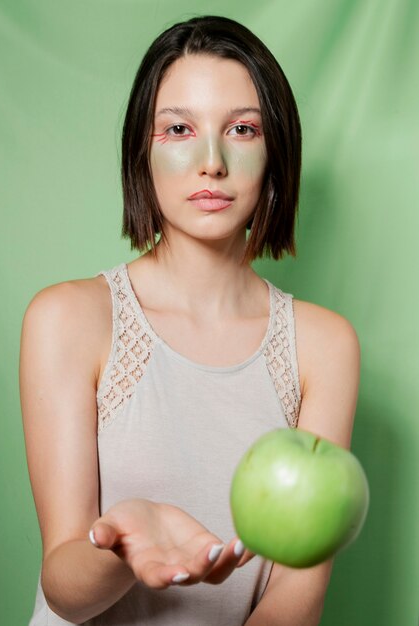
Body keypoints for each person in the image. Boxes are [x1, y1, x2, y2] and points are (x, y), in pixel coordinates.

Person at [20, 14, 360, 626]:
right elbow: (64, 587)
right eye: (179, 128)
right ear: (142, 151)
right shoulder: (67, 318)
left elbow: (296, 597)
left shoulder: (325, 345)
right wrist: (122, 545)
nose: (212, 161)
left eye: (242, 128)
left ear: (275, 152)